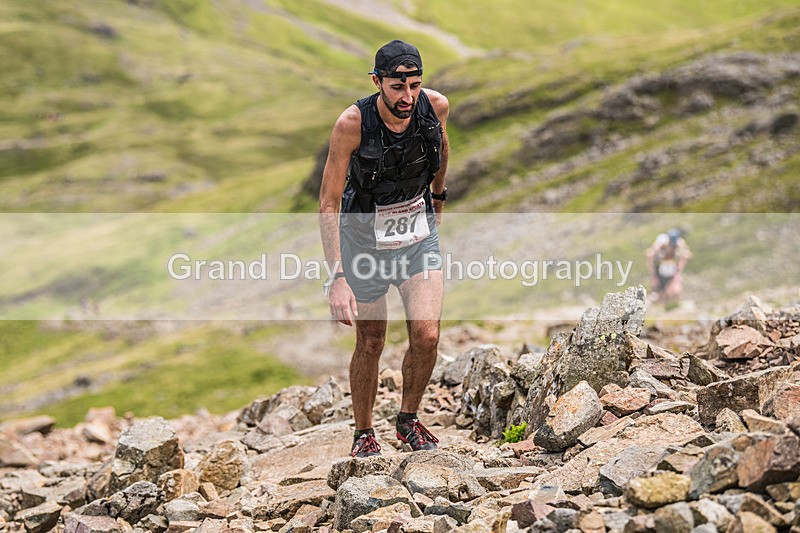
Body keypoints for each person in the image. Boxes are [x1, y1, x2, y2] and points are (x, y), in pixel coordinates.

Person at [318, 40, 450, 457]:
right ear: (377, 82)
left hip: (417, 236)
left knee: (427, 335)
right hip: (364, 244)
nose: (407, 97)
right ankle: (363, 433)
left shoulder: (435, 106)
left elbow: (443, 149)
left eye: (414, 85)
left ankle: (408, 419)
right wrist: (338, 275)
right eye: (397, 86)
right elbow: (328, 202)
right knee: (372, 341)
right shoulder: (351, 124)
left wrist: (440, 197)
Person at [645, 228, 692, 307]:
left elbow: (685, 256)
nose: (671, 245)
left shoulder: (679, 244)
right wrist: (653, 275)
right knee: (658, 295)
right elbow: (649, 255)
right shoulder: (660, 244)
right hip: (660, 271)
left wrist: (677, 274)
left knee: (674, 292)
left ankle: (670, 310)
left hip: (672, 271)